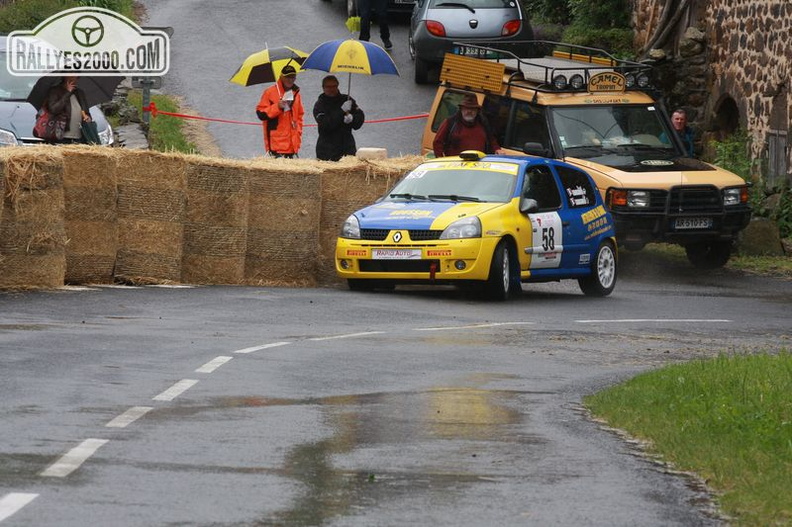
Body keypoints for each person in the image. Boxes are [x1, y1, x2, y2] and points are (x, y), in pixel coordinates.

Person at [256, 64, 304, 158]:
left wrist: (298, 132)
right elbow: (261, 114)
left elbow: (300, 116)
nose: (290, 79)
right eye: (287, 77)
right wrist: (277, 107)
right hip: (276, 146)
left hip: (292, 145)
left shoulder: (296, 94)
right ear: (281, 77)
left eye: (292, 77)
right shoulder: (269, 92)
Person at [433, 93, 504, 157]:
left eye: (472, 109)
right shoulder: (450, 123)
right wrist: (441, 160)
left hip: (478, 166)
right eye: (466, 108)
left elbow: (491, 140)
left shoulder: (483, 124)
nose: (469, 111)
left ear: (477, 111)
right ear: (461, 109)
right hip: (455, 167)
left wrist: (497, 149)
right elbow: (437, 143)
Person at [313, 75, 365, 161]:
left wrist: (352, 119)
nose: (331, 89)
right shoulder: (319, 105)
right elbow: (325, 125)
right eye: (328, 87)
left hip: (347, 148)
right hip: (326, 151)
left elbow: (359, 120)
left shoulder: (347, 100)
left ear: (338, 86)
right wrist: (341, 111)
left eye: (334, 86)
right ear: (323, 88)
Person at [44, 76, 92, 144]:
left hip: (79, 136)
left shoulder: (80, 92)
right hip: (61, 136)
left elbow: (86, 112)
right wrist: (67, 92)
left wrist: (88, 117)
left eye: (75, 76)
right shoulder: (55, 91)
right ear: (64, 77)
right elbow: (53, 110)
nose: (72, 78)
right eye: (70, 75)